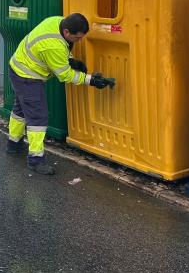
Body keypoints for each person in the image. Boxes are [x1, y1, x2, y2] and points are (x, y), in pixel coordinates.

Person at [7, 13, 113, 175]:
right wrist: (91, 80)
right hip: (28, 76)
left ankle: (13, 145)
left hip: (18, 67)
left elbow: (62, 49)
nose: (79, 41)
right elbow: (65, 75)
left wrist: (71, 60)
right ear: (67, 32)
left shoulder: (56, 21)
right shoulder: (53, 46)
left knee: (21, 109)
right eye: (77, 38)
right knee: (38, 117)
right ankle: (35, 160)